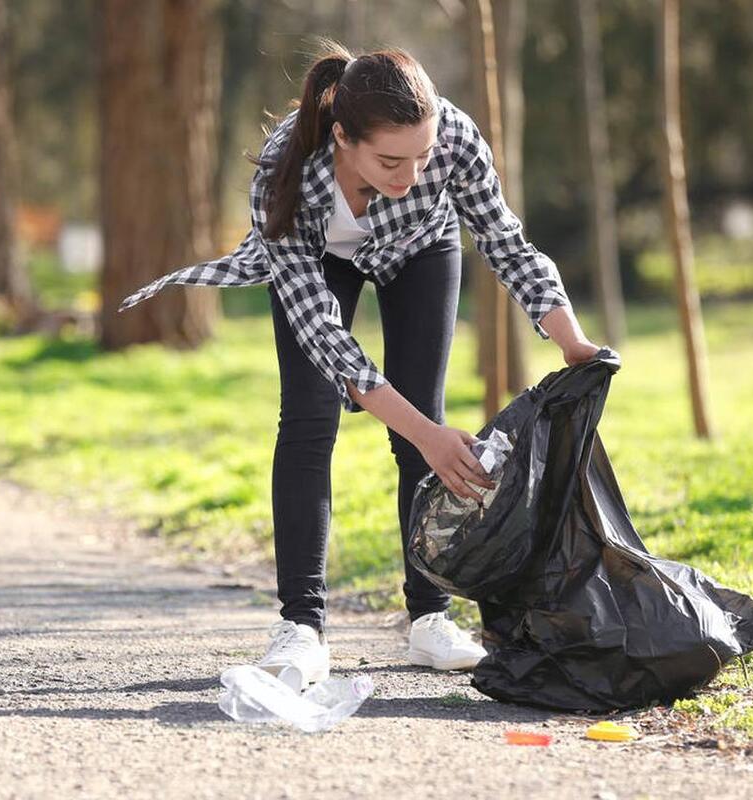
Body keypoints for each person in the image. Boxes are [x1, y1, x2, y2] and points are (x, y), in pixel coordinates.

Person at [118, 41, 602, 690]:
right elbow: (332, 346)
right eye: (390, 161)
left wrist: (568, 336)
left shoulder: (454, 137)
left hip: (421, 251)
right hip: (320, 262)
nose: (410, 174)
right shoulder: (285, 170)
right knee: (310, 421)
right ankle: (302, 627)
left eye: (423, 157)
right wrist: (430, 438)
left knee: (420, 429)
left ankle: (428, 620)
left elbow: (505, 243)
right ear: (343, 137)